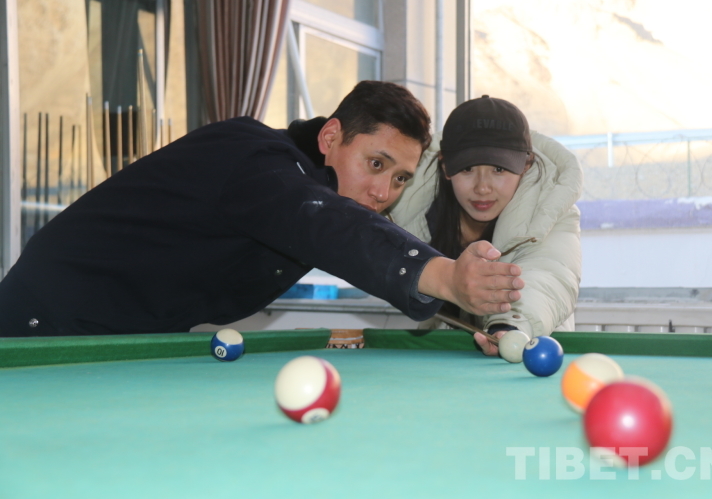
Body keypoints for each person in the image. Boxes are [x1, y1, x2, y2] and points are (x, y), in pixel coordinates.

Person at [0, 82, 525, 337]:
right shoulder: (254, 159)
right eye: (376, 163)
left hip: (125, 333)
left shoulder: (316, 185)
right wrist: (446, 277)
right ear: (330, 137)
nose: (383, 191)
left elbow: (356, 232)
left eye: (400, 178)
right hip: (43, 319)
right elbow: (322, 223)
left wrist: (481, 307)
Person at [387, 95, 582, 355]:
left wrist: (509, 326)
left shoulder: (550, 211)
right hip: (443, 359)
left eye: (498, 169)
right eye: (467, 169)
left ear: (525, 165)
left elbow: (548, 276)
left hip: (526, 354)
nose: (482, 187)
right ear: (446, 167)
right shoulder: (414, 210)